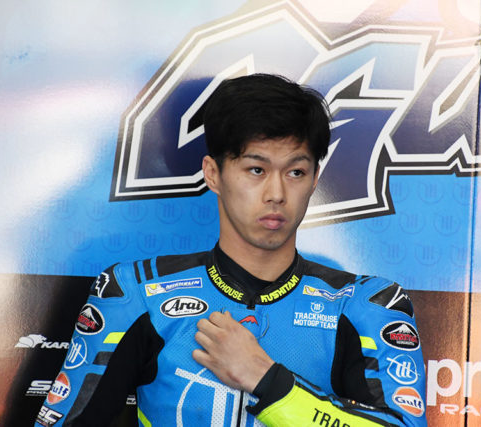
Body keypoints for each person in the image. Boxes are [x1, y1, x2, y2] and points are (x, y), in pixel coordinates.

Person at [35, 74, 427, 426]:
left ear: (314, 180)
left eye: (295, 172)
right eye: (256, 170)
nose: (276, 194)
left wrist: (269, 382)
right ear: (213, 173)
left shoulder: (366, 305)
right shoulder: (135, 293)